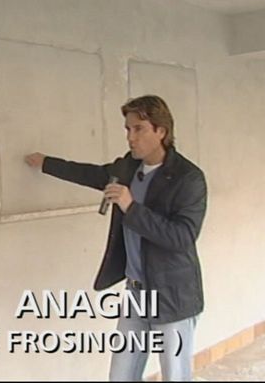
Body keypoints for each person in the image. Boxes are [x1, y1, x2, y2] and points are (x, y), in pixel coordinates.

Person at [24, 94, 208, 381]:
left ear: (161, 131)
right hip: (136, 294)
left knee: (175, 376)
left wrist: (131, 207)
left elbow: (181, 237)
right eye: (128, 129)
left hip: (173, 295)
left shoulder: (188, 178)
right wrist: (46, 163)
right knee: (120, 376)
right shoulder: (128, 167)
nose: (130, 137)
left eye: (139, 129)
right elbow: (92, 174)